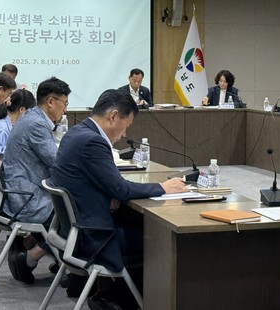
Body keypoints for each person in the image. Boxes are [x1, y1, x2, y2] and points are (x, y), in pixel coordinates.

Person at [50, 89, 188, 309]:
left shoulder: (76, 132)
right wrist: (163, 187)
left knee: (140, 226)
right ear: (113, 116)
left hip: (76, 230)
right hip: (96, 237)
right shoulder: (92, 141)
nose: (124, 134)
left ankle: (113, 296)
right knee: (162, 242)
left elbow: (105, 185)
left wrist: (110, 194)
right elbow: (121, 189)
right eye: (126, 125)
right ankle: (115, 299)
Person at [2, 77, 71, 284]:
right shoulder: (37, 124)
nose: (66, 109)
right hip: (28, 197)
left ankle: (51, 256)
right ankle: (32, 257)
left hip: (22, 189)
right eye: (65, 103)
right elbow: (57, 163)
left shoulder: (31, 116)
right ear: (50, 101)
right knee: (77, 216)